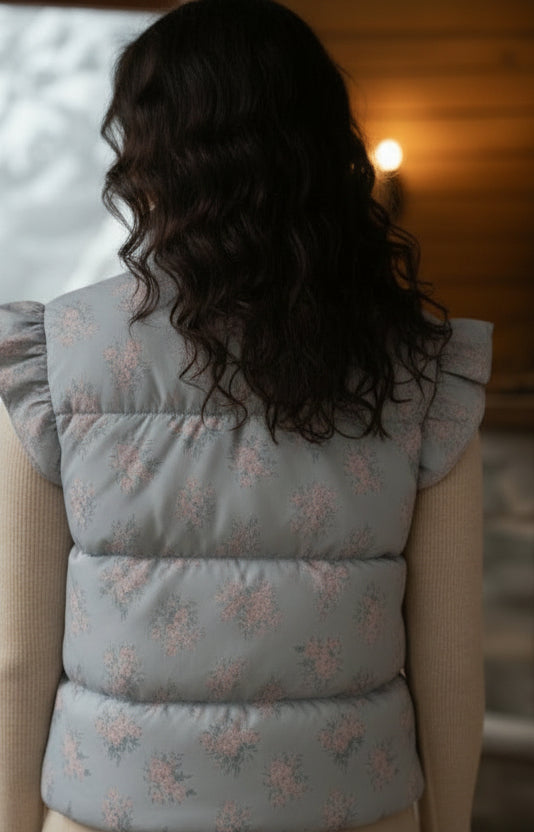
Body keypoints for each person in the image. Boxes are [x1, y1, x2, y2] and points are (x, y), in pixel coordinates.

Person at [0, 1, 492, 831]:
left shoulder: (55, 356)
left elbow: (15, 660)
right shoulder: (420, 367)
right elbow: (449, 661)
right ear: (324, 144)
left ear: (147, 150)